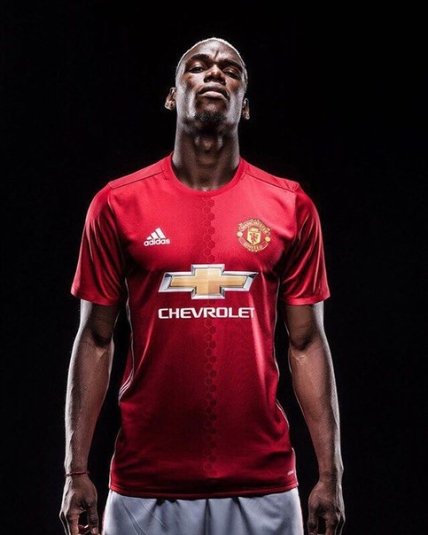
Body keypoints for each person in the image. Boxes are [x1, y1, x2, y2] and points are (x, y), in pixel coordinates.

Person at [59, 37, 345, 535]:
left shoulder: (290, 206)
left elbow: (306, 342)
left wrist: (331, 474)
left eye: (231, 70)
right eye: (198, 65)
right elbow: (96, 338)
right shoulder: (116, 205)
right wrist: (75, 470)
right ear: (173, 96)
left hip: (263, 484)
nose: (215, 72)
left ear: (245, 106)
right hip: (145, 484)